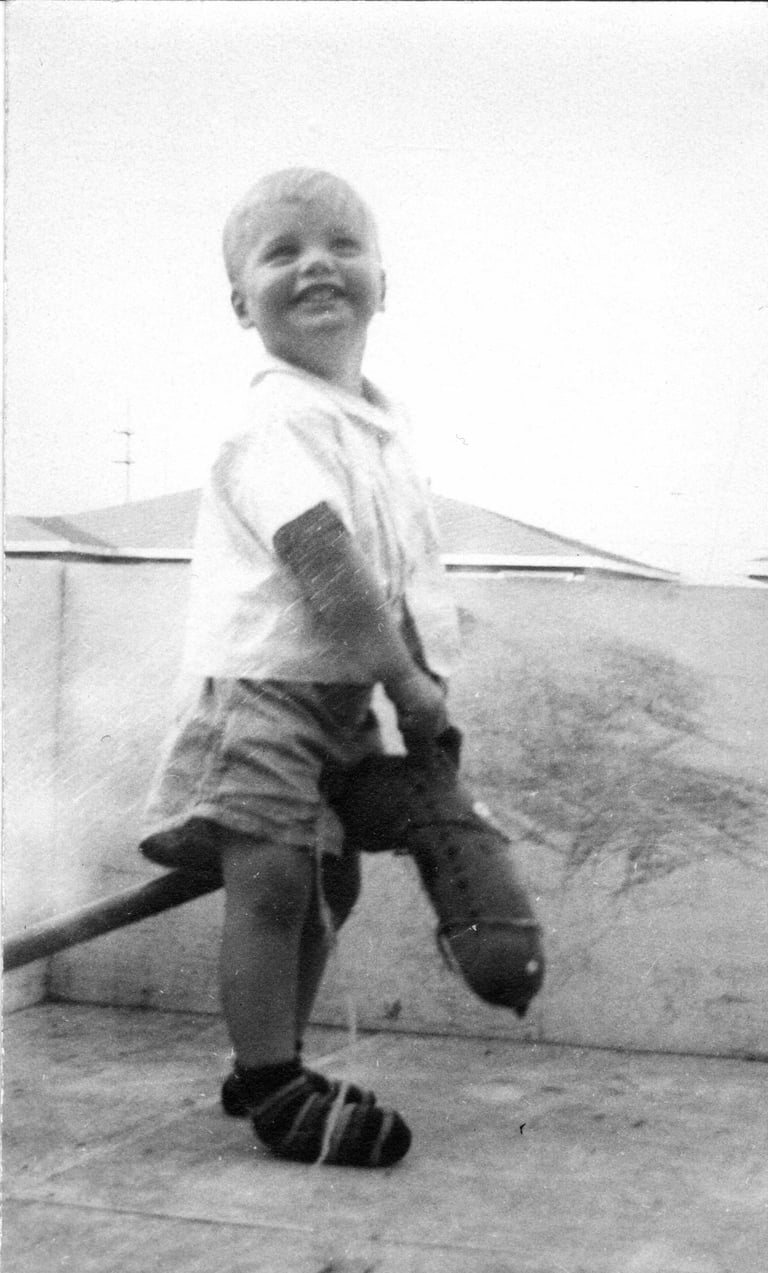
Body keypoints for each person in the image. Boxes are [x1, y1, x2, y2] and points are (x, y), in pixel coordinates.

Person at [140, 168, 460, 1168]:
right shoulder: (270, 421)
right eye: (281, 252)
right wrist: (408, 683)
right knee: (275, 883)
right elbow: (327, 562)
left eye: (340, 245)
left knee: (332, 886)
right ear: (242, 302)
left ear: (381, 280)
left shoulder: (378, 426)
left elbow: (405, 574)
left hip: (345, 696)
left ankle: (266, 1061)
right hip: (266, 692)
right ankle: (276, 1089)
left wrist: (424, 682)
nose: (316, 262)